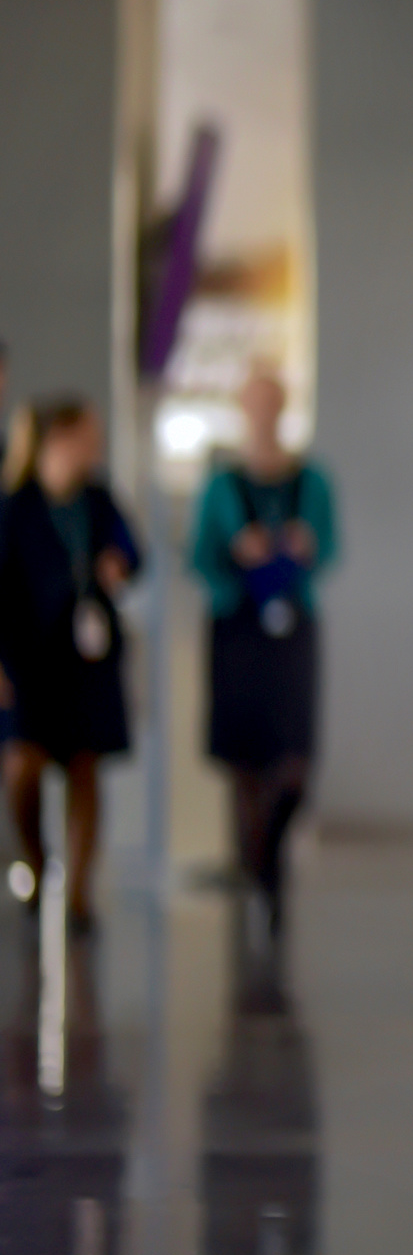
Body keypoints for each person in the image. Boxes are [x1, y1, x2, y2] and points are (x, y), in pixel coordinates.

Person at [192, 367, 338, 938]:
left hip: (292, 624)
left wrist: (303, 548)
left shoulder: (311, 482)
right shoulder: (221, 485)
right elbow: (199, 558)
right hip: (236, 624)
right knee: (243, 758)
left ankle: (269, 856)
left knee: (294, 755)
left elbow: (330, 547)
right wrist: (236, 553)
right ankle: (255, 870)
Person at [0, 398, 140, 929]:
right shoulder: (16, 506)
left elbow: (134, 552)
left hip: (88, 661)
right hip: (31, 659)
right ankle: (37, 866)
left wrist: (118, 564)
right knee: (23, 768)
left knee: (86, 769)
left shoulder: (100, 500)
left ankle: (79, 896)